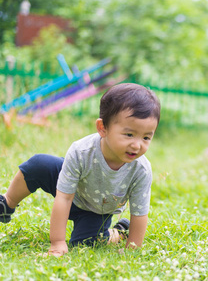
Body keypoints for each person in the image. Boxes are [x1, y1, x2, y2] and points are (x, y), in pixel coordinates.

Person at [0, 83, 161, 256]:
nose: (137, 145)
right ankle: (7, 203)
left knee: (86, 242)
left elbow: (139, 213)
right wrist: (58, 242)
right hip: (71, 187)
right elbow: (64, 197)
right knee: (38, 164)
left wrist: (133, 248)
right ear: (102, 128)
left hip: (96, 210)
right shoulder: (82, 151)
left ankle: (118, 232)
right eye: (129, 134)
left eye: (146, 137)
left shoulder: (141, 170)